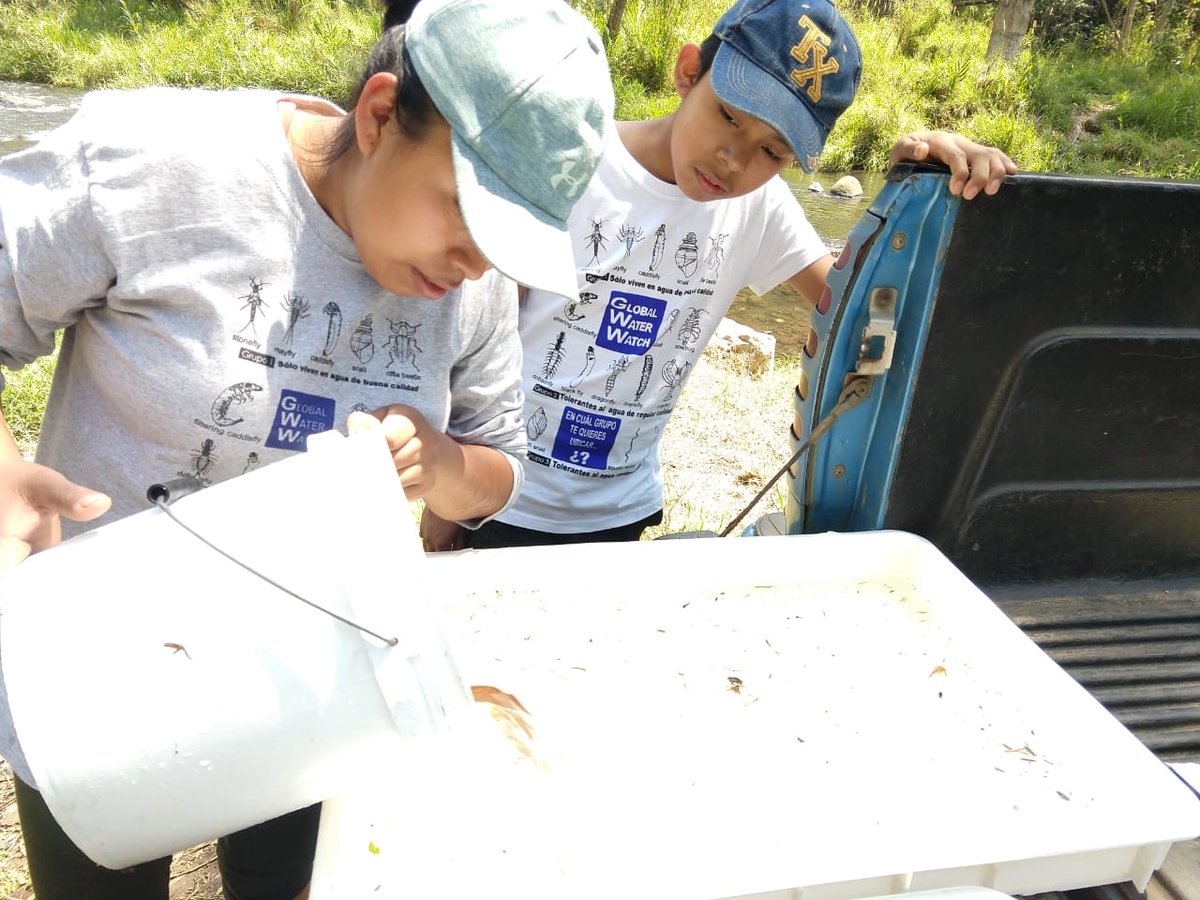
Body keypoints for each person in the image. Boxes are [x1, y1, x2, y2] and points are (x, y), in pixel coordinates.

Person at [0, 0, 613, 896]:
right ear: (376, 115)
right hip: (103, 669)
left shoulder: (469, 288)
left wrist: (445, 467)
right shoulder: (152, 167)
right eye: (465, 214)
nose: (474, 265)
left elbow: (499, 469)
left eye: (505, 244)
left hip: (316, 685)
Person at [420, 0, 1017, 550]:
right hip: (503, 496)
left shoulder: (760, 208)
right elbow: (479, 337)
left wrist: (915, 191)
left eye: (772, 152)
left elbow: (857, 309)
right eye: (729, 117)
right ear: (687, 74)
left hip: (621, 508)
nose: (735, 160)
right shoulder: (576, 165)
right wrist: (451, 498)